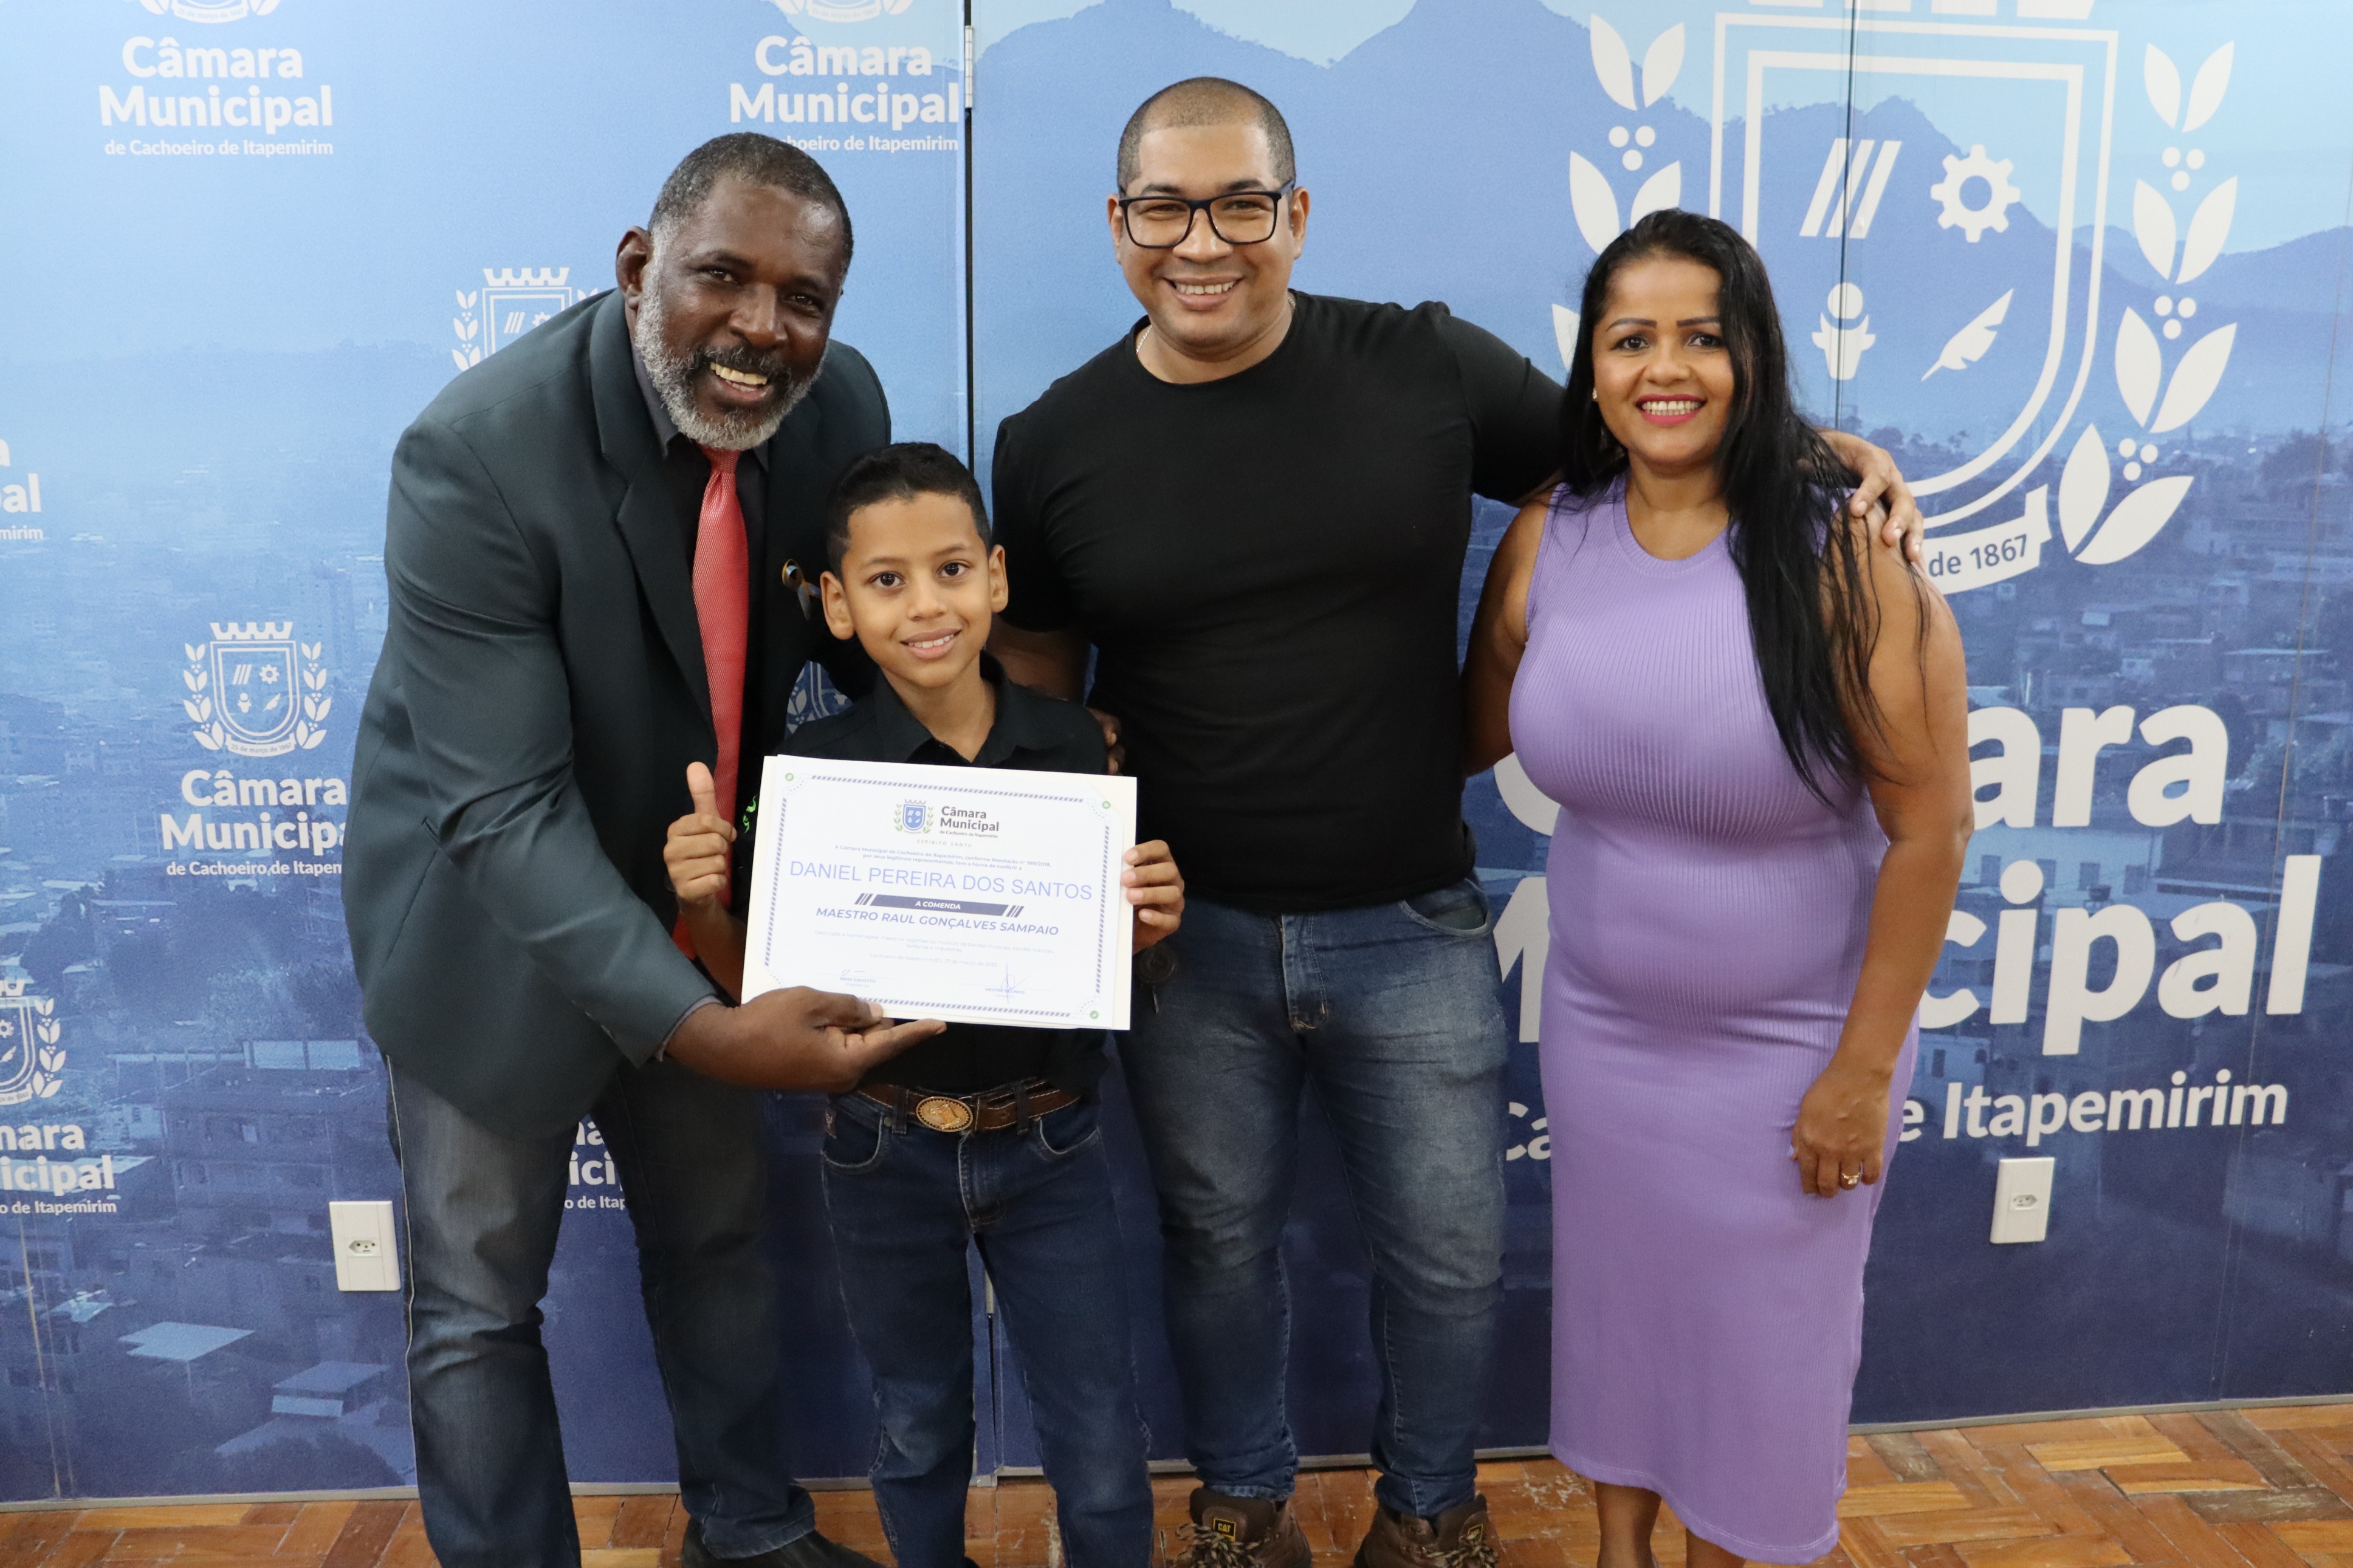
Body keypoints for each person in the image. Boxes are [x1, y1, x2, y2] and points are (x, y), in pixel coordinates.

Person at [986, 77, 1934, 1568]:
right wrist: (1068, 776)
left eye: (1239, 204)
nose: (1201, 241)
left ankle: (1429, 1514)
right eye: (1164, 207)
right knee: (1217, 1244)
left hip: (1412, 917)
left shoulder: (1423, 364)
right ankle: (1243, 1503)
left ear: (1296, 215)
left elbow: (1652, 424)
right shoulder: (1050, 440)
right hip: (1185, 939)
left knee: (1446, 1259)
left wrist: (1825, 454)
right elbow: (1037, 678)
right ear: (1118, 223)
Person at [344, 134, 943, 1568]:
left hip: (700, 914)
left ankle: (748, 1535)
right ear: (636, 268)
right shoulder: (477, 452)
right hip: (491, 937)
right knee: (479, 1306)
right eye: (721, 277)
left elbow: (866, 662)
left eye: (804, 298)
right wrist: (708, 1028)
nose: (761, 327)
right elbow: (500, 813)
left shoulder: (839, 408)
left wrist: (1021, 786)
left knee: (717, 1245)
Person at [1459, 210, 1973, 1568]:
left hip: (1794, 1052)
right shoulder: (1549, 538)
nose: (1665, 367)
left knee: (1765, 1369)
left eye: (1703, 335)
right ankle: (1620, 1551)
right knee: (1621, 1321)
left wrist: (1861, 1072)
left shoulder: (1846, 555)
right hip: (1601, 1030)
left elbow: (1930, 834)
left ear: (1755, 355)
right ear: (1591, 370)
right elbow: (1467, 730)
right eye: (1631, 338)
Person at [662, 442, 1186, 1568]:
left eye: (951, 570)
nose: (926, 606)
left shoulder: (1075, 745)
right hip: (881, 1147)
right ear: (838, 606)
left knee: (1099, 1435)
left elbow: (1111, 959)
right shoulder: (813, 773)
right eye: (886, 581)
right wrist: (703, 905)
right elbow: (758, 986)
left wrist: (1148, 926)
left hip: (1050, 1141)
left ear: (995, 577)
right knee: (915, 1425)